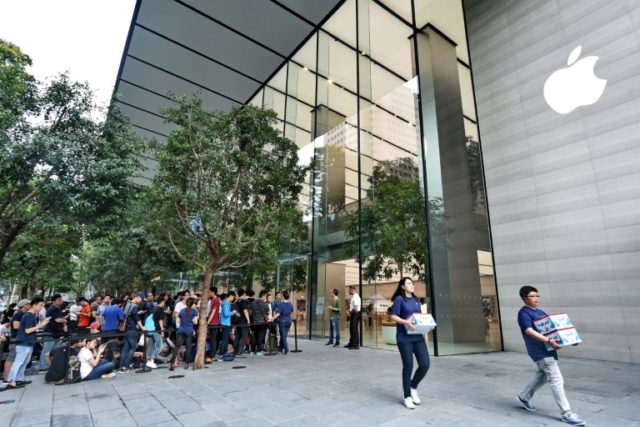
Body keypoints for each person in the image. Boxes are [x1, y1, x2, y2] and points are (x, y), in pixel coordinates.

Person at [516, 286, 586, 426]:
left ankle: (524, 396)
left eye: (537, 295)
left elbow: (552, 331)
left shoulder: (541, 312)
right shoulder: (524, 313)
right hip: (539, 351)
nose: (536, 298)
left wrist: (570, 340)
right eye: (532, 296)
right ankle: (566, 414)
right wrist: (548, 341)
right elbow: (529, 331)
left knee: (542, 376)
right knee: (556, 380)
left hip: (548, 350)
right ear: (525, 299)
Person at [389, 277, 431, 410]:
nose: (412, 285)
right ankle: (407, 396)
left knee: (425, 364)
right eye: (408, 283)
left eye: (412, 283)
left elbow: (419, 319)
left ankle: (413, 386)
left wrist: (426, 332)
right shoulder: (399, 299)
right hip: (404, 338)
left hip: (418, 337)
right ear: (402, 286)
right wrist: (405, 322)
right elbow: (393, 316)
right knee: (408, 366)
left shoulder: (417, 300)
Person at [6, 297, 50, 389]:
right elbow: (27, 330)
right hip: (24, 342)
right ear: (34, 305)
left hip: (27, 342)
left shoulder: (30, 315)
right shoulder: (29, 315)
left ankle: (20, 378)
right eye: (40, 305)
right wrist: (40, 325)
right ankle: (11, 381)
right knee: (19, 362)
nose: (41, 307)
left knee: (24, 362)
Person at [3, 299, 30, 384]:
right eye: (29, 304)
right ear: (24, 305)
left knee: (16, 358)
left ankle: (15, 377)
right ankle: (6, 377)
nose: (30, 305)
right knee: (12, 357)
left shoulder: (22, 314)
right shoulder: (19, 314)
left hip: (19, 338)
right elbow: (16, 326)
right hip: (15, 338)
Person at [39, 294, 68, 370]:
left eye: (61, 299)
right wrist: (65, 320)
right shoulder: (53, 309)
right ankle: (43, 366)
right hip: (50, 332)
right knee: (47, 350)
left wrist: (64, 322)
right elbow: (58, 319)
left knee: (55, 350)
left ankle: (51, 364)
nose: (60, 301)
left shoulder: (57, 308)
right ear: (53, 301)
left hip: (56, 333)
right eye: (58, 300)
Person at [170, 297, 198, 370]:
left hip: (181, 330)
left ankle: (172, 364)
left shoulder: (182, 310)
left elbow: (178, 320)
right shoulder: (194, 311)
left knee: (177, 347)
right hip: (189, 331)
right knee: (188, 347)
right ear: (192, 304)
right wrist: (191, 320)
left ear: (186, 303)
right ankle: (186, 364)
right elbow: (196, 322)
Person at [120, 294, 145, 372]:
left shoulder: (127, 304)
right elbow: (137, 319)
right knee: (133, 348)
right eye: (141, 299)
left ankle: (121, 366)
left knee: (125, 348)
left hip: (126, 329)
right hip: (132, 329)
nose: (141, 301)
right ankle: (126, 365)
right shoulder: (134, 306)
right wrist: (142, 327)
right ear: (138, 297)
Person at [146, 297, 166, 369]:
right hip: (157, 329)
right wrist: (162, 330)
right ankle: (151, 360)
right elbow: (160, 321)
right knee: (159, 346)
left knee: (151, 345)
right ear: (162, 302)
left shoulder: (154, 309)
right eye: (164, 302)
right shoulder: (160, 309)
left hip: (151, 330)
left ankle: (149, 361)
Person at [216, 291, 235, 361]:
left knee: (226, 339)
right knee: (224, 340)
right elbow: (226, 314)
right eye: (233, 297)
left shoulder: (225, 303)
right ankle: (221, 354)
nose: (233, 299)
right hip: (225, 324)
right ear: (230, 296)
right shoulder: (226, 304)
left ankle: (223, 354)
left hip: (226, 323)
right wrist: (233, 312)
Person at [250, 290, 269, 355]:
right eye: (266, 296)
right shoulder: (265, 304)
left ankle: (252, 351)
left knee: (254, 336)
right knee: (260, 336)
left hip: (254, 322)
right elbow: (268, 313)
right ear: (264, 295)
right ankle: (258, 351)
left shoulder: (253, 303)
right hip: (262, 323)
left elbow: (250, 313)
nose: (266, 298)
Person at [233, 289, 250, 358]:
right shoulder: (243, 301)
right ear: (244, 294)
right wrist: (248, 320)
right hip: (243, 321)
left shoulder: (237, 301)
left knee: (238, 336)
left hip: (238, 321)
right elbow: (245, 311)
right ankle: (239, 352)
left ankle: (235, 351)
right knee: (244, 336)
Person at [207, 287, 221, 361]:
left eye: (209, 292)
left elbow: (213, 311)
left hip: (214, 322)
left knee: (213, 339)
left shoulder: (215, 300)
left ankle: (212, 355)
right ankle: (211, 354)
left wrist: (208, 321)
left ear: (213, 292)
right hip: (213, 321)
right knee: (212, 339)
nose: (208, 293)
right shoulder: (213, 300)